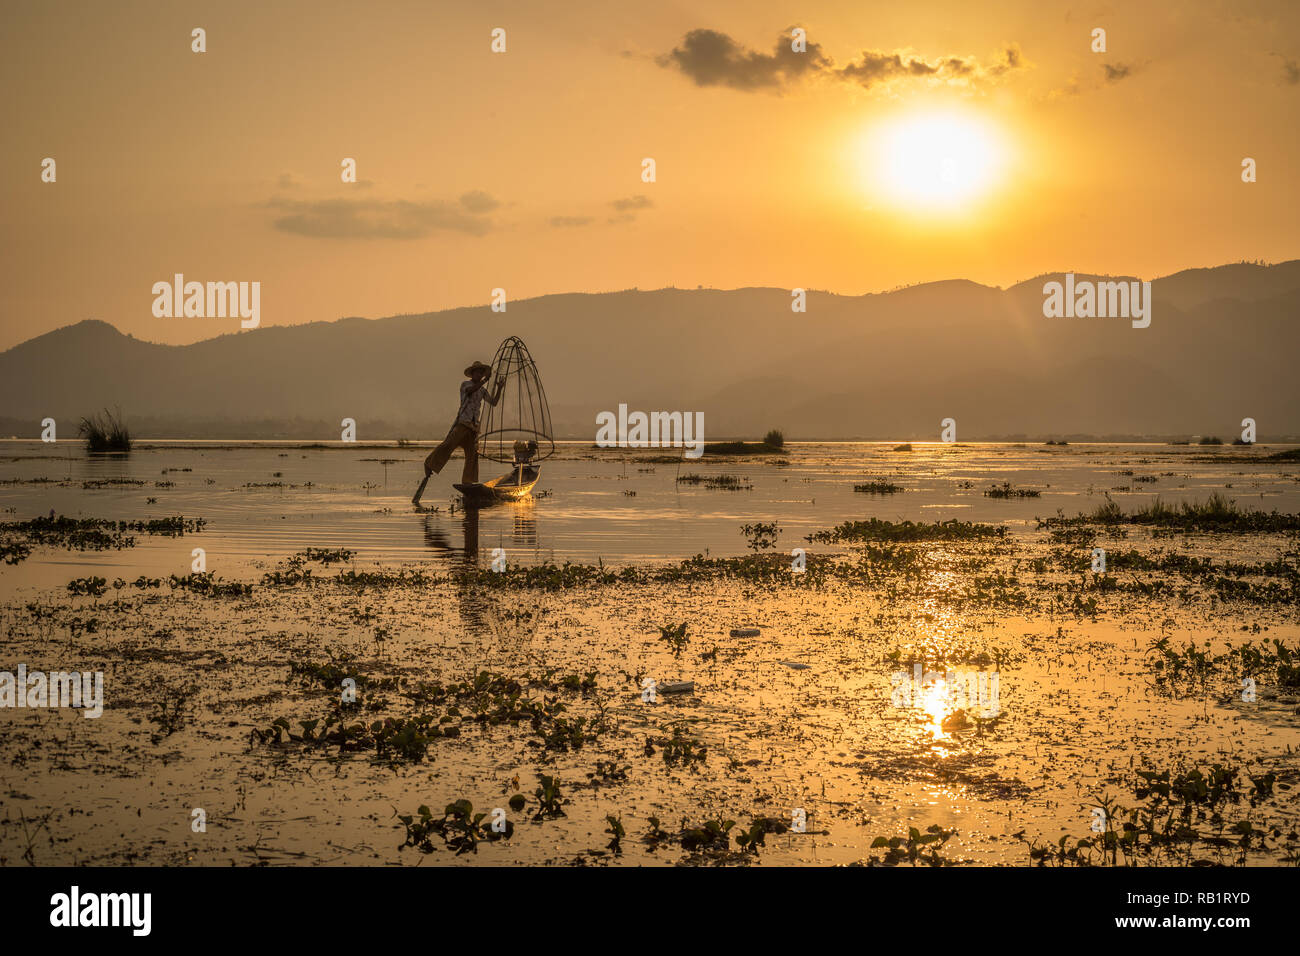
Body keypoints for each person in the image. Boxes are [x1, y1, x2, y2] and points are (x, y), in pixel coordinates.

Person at [413, 360, 504, 505]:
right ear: (472, 374)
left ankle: (468, 481)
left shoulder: (482, 390)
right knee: (448, 445)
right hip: (463, 423)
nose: (480, 374)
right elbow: (471, 391)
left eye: (481, 372)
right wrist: (486, 380)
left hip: (474, 427)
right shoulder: (466, 385)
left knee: (472, 456)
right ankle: (429, 463)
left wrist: (499, 388)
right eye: (478, 372)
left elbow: (493, 402)